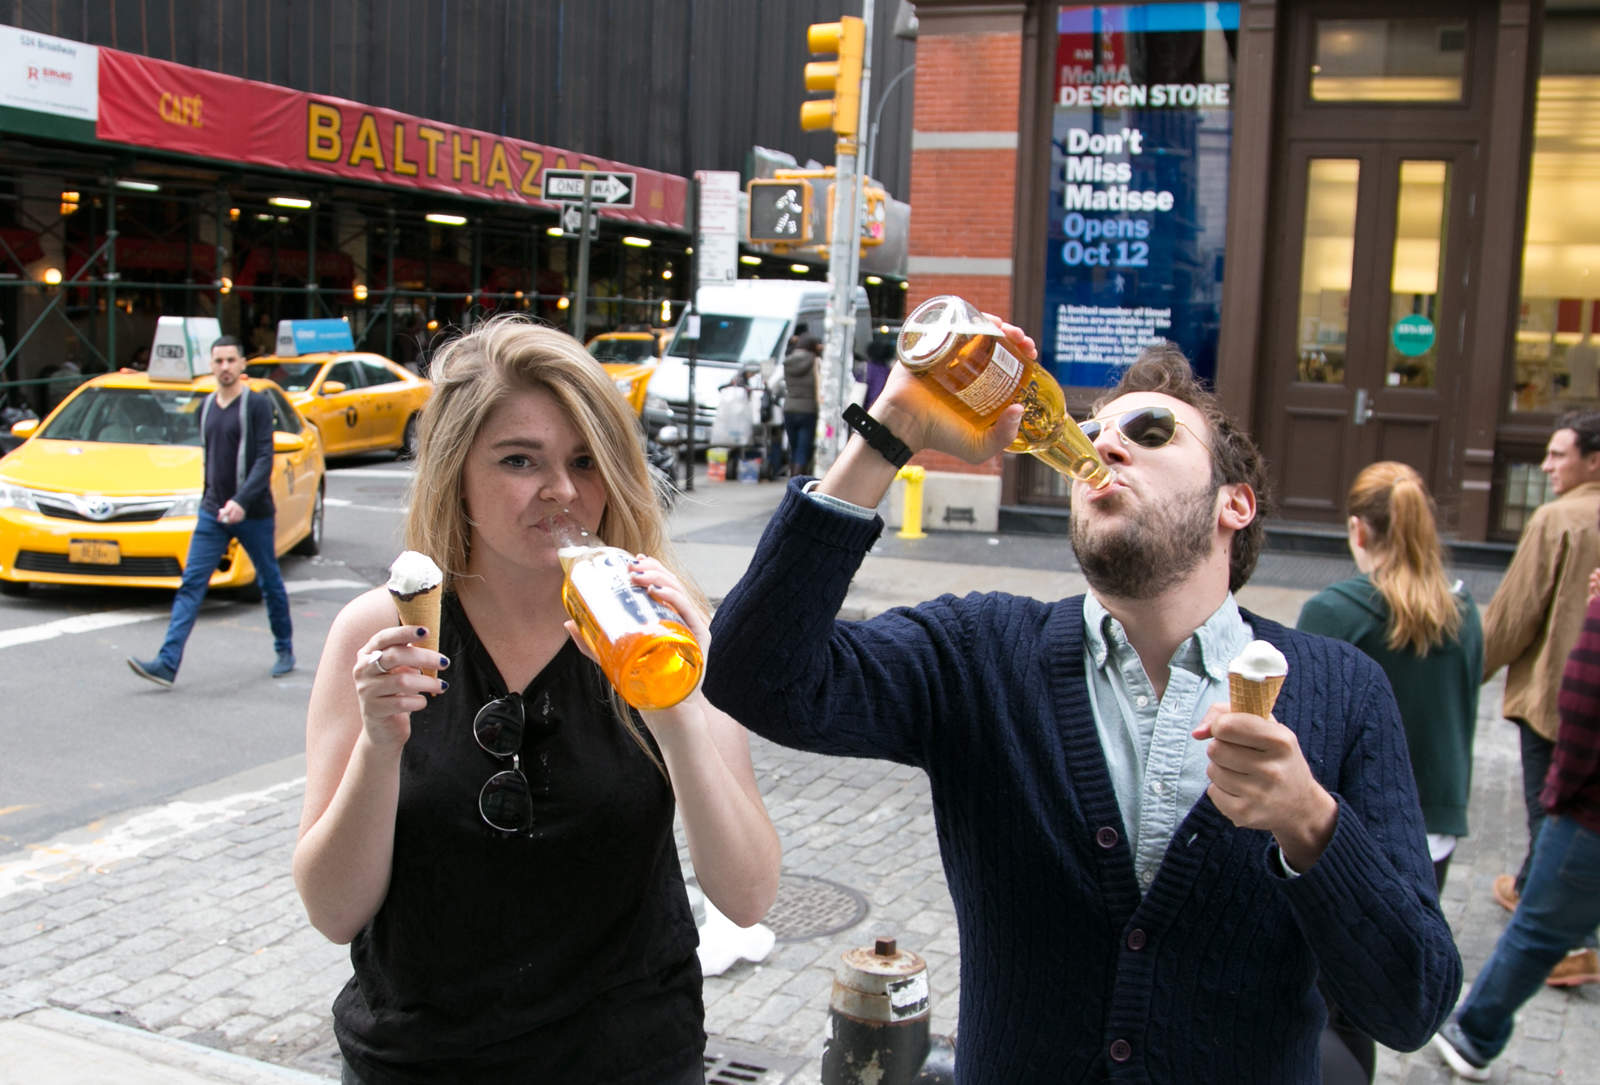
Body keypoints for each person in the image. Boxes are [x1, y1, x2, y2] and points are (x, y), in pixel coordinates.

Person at [703, 333, 1461, 1082]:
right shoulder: (981, 652)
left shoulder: (1343, 689)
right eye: (1095, 433)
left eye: (1153, 431)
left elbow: (1410, 1001)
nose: (1110, 446)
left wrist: (1309, 823)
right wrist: (894, 423)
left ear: (1235, 503)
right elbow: (752, 674)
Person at [292, 316, 779, 1084]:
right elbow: (332, 910)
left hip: (629, 1062)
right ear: (457, 473)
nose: (561, 490)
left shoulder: (665, 624)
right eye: (520, 460)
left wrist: (676, 713)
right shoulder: (386, 629)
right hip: (421, 1063)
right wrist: (379, 745)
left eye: (586, 460)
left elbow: (748, 894)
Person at [1296, 461, 1484, 1082]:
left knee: (1325, 998)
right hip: (1434, 825)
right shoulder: (1464, 614)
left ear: (1357, 531)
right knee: (1373, 988)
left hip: (1350, 830)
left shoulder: (1336, 612)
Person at [1431, 584, 1600, 1080]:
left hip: (1589, 815)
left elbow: (1584, 705)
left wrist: (1559, 798)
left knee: (1537, 929)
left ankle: (1475, 1033)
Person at [1481, 409, 1600, 986]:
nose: (1547, 465)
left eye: (1560, 455)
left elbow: (1513, 615)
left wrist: (1466, 672)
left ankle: (1574, 942)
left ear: (1593, 461)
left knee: (1551, 814)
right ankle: (1531, 888)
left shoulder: (1559, 519)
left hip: (1560, 699)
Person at [128, 336, 294, 687]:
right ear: (211, 364)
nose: (225, 368)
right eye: (218, 361)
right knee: (191, 584)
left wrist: (241, 502)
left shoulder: (257, 404)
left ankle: (285, 649)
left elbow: (265, 457)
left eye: (231, 360)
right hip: (212, 512)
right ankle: (167, 663)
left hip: (253, 512)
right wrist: (212, 500)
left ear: (243, 364)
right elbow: (210, 459)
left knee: (269, 581)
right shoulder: (205, 407)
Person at [780, 333, 819, 476]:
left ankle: (792, 477)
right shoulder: (815, 362)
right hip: (808, 409)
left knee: (794, 447)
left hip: (789, 407)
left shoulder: (787, 361)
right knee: (804, 448)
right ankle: (797, 481)